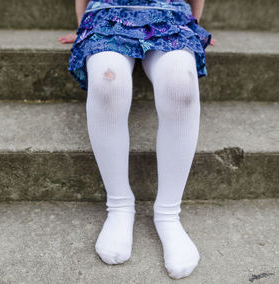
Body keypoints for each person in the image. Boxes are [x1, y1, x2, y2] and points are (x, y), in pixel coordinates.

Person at [59, 0, 215, 279]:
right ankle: (119, 205)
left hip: (169, 12)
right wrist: (83, 24)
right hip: (108, 13)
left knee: (181, 84)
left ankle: (168, 214)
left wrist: (194, 22)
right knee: (108, 82)